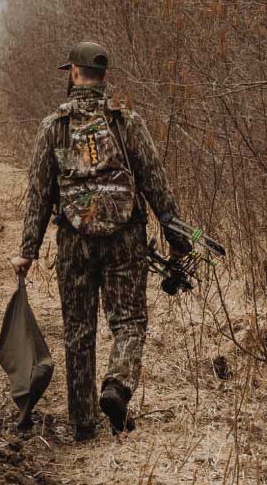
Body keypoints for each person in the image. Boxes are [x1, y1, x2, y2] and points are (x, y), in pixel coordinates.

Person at [11, 40, 191, 441]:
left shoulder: (53, 127)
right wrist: (177, 236)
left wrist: (27, 252)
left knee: (78, 329)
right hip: (126, 238)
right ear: (104, 78)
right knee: (128, 321)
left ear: (74, 74)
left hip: (74, 242)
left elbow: (40, 196)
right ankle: (117, 386)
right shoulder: (126, 122)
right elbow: (156, 185)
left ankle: (83, 424)